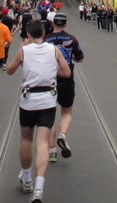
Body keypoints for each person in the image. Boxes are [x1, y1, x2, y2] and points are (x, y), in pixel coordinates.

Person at [6, 19, 71, 203]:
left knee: (26, 138)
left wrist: (22, 51)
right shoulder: (54, 50)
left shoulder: (23, 51)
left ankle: (26, 179)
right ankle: (39, 189)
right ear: (43, 33)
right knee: (42, 142)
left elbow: (9, 70)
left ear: (28, 35)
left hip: (28, 101)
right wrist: (51, 70)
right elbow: (66, 72)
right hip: (48, 100)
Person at [44, 12, 85, 163]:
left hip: (48, 80)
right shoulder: (71, 39)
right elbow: (80, 58)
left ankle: (52, 149)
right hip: (67, 80)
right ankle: (62, 134)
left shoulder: (45, 39)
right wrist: (70, 57)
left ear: (53, 23)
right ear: (66, 24)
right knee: (66, 112)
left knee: (48, 116)